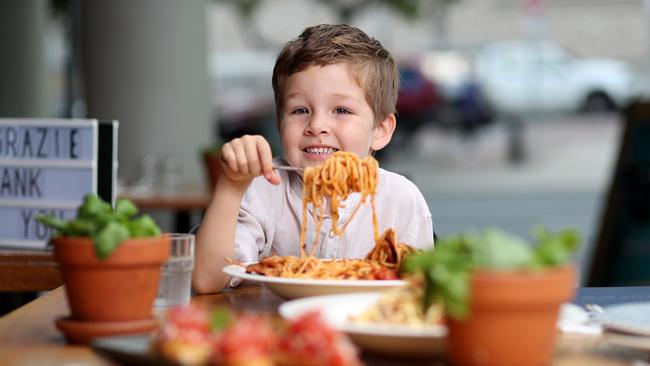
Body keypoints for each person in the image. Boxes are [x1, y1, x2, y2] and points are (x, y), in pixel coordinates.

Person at [193, 24, 434, 294]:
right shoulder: (261, 187)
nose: (317, 125)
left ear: (380, 130)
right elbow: (207, 280)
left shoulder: (401, 199)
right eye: (300, 110)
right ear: (279, 122)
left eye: (341, 110)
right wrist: (231, 185)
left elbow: (419, 291)